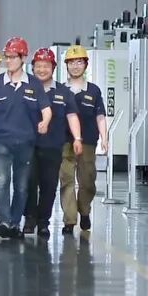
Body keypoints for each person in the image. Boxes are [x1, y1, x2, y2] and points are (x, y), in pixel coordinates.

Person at [0, 37, 52, 239]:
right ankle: (5, 222)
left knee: (21, 185)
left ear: (23, 58)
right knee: (2, 182)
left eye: (13, 57)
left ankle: (15, 223)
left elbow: (46, 109)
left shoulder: (34, 84)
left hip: (25, 143)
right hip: (0, 141)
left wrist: (45, 122)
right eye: (7, 57)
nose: (9, 61)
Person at [23, 48, 83, 238]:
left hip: (53, 147)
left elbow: (72, 116)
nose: (42, 70)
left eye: (46, 66)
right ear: (32, 68)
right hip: (28, 146)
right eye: (38, 66)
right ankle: (30, 219)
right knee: (28, 183)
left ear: (53, 68)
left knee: (49, 186)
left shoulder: (63, 92)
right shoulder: (25, 89)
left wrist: (77, 138)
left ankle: (43, 222)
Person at [59, 45, 109, 234]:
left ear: (86, 65)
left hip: (88, 142)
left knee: (87, 180)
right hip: (64, 142)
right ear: (66, 65)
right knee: (66, 180)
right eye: (71, 62)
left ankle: (84, 210)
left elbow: (100, 116)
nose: (75, 66)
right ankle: (70, 220)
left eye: (79, 62)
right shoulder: (60, 90)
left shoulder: (94, 91)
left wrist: (104, 138)